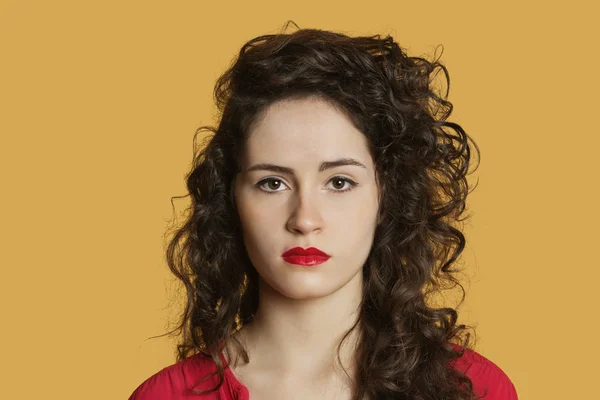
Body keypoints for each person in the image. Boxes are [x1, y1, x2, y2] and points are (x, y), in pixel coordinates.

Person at [129, 22, 518, 400]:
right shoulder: (167, 396)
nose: (304, 220)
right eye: (272, 183)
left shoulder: (474, 390)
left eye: (339, 182)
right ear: (231, 198)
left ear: (386, 196)